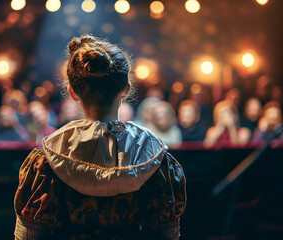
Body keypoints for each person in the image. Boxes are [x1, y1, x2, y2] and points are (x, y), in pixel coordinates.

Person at [14, 35, 186, 240]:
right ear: (125, 90)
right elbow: (168, 235)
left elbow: (28, 236)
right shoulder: (154, 154)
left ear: (72, 91)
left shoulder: (47, 157)